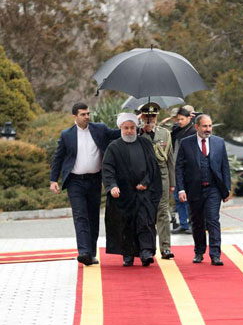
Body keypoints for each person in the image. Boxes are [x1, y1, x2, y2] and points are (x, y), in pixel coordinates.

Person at [50, 102, 120, 266]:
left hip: (95, 180)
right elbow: (58, 158)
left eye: (88, 113)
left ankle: (91, 253)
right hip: (75, 182)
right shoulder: (66, 135)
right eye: (83, 114)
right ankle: (84, 252)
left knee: (93, 217)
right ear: (75, 116)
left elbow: (117, 133)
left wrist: (134, 124)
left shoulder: (99, 129)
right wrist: (53, 179)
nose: (87, 117)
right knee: (80, 216)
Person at [102, 112, 163, 267]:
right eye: (126, 128)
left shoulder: (145, 143)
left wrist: (145, 182)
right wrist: (112, 186)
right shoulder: (113, 147)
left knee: (145, 222)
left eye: (132, 127)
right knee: (126, 225)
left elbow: (152, 167)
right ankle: (128, 254)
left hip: (143, 192)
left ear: (137, 128)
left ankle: (146, 252)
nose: (129, 131)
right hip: (124, 194)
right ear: (120, 128)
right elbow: (108, 169)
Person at [175, 114, 231, 266]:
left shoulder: (219, 143)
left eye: (210, 126)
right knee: (197, 221)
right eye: (205, 126)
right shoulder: (186, 143)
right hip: (194, 189)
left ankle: (215, 254)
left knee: (213, 220)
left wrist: (227, 190)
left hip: (213, 189)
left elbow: (225, 167)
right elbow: (179, 168)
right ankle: (199, 252)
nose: (208, 129)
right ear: (197, 127)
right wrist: (180, 189)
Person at [137, 102, 175, 260]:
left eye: (153, 116)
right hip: (144, 178)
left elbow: (170, 159)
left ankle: (165, 247)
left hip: (162, 177)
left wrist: (172, 182)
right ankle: (147, 248)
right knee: (146, 214)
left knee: (163, 212)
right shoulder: (137, 134)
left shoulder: (165, 134)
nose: (150, 119)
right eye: (146, 116)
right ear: (142, 116)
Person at [170, 107, 196, 234]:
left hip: (189, 170)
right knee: (178, 198)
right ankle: (183, 223)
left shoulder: (193, 131)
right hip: (176, 168)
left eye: (182, 119)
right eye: (178, 119)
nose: (179, 121)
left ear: (189, 118)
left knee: (189, 198)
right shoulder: (176, 131)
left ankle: (192, 223)